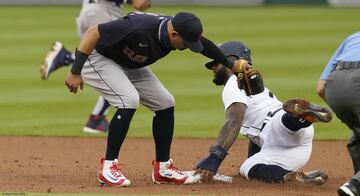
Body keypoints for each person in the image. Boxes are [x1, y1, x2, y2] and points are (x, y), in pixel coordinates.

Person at [64, 11, 248, 187]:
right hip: (98, 58)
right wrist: (75, 71)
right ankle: (108, 167)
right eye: (186, 42)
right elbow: (93, 32)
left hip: (127, 63)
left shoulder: (175, 31)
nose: (187, 47)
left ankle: (163, 168)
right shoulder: (137, 28)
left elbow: (204, 46)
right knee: (128, 100)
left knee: (165, 102)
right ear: (174, 33)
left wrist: (232, 65)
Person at [195, 41, 332, 185]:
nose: (213, 67)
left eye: (216, 62)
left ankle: (300, 116)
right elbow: (254, 135)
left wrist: (214, 158)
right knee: (249, 166)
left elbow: (234, 120)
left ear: (231, 59)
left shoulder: (234, 81)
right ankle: (303, 119)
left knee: (275, 127)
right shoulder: (247, 83)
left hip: (276, 128)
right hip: (297, 142)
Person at [40, 0, 151, 133]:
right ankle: (67, 57)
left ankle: (97, 118)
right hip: (104, 12)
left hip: (90, 12)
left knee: (109, 64)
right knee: (122, 61)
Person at [316, 32, 360, 196]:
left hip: (335, 88)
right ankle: (356, 184)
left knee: (358, 134)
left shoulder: (352, 38)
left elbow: (320, 88)